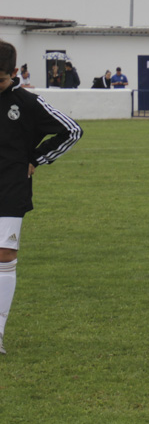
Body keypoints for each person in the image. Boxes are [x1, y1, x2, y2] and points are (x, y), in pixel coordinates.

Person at [0, 39, 83, 355]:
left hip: (11, 188)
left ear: (13, 73)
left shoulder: (28, 103)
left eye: (1, 80)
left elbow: (71, 130)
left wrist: (36, 158)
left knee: (5, 256)